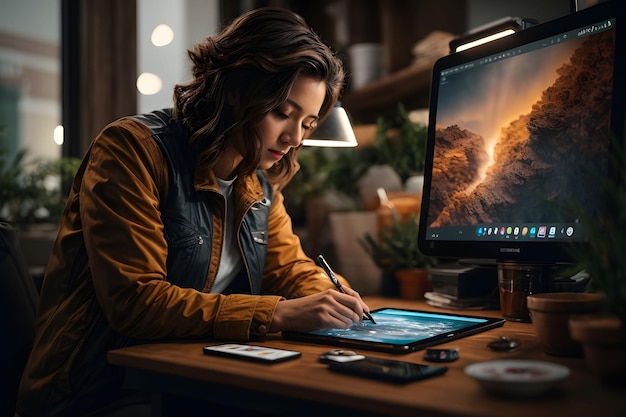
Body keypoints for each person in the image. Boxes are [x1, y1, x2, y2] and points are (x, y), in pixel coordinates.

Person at [16, 7, 372, 417]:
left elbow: (289, 269)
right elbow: (137, 301)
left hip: (181, 381)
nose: (293, 138)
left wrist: (335, 298)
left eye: (307, 124)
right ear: (237, 92)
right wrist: (278, 312)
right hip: (95, 392)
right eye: (282, 113)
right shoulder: (132, 150)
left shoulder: (256, 182)